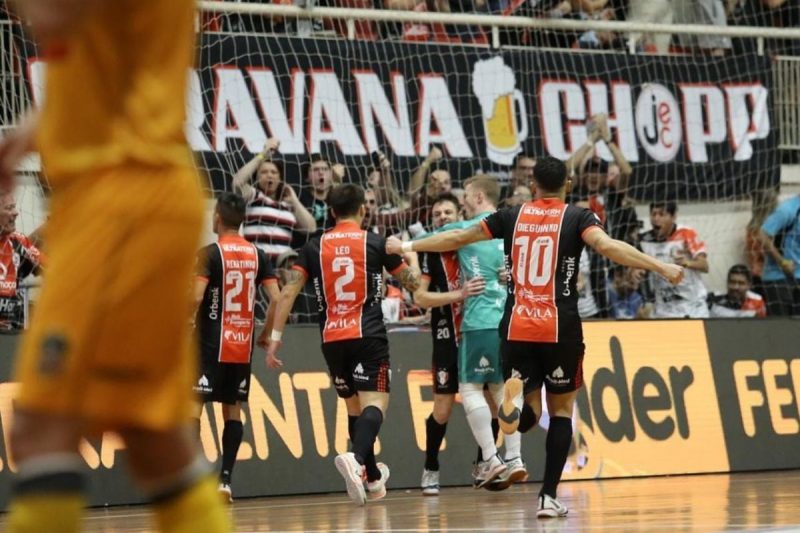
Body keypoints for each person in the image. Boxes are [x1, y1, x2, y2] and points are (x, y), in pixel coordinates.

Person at [0, 1, 231, 532]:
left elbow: (54, 16)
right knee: (153, 440)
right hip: (131, 192)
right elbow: (86, 40)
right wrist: (37, 127)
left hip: (122, 197)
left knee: (39, 426)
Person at [388, 156, 683, 518]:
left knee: (530, 406)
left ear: (535, 185)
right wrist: (662, 266)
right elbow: (610, 248)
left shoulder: (512, 215)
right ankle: (547, 497)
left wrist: (409, 247)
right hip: (559, 327)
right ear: (568, 184)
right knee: (561, 413)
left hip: (516, 327)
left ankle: (509, 421)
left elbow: (458, 235)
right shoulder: (577, 217)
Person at [264, 184, 421, 506]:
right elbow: (414, 284)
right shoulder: (377, 243)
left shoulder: (313, 247)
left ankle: (373, 479)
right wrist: (409, 253)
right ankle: (357, 458)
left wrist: (275, 339)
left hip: (332, 338)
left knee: (354, 408)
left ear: (331, 212)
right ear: (363, 208)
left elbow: (288, 293)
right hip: (369, 335)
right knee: (375, 406)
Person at [193, 193, 280, 503]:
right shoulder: (259, 254)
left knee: (193, 409)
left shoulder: (210, 253)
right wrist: (266, 333)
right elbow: (278, 298)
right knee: (233, 410)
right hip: (241, 345)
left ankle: (200, 481)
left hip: (208, 343)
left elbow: (195, 297)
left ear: (217, 216)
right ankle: (225, 481)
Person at [441, 175, 526, 489]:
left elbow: (431, 240)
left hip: (479, 322)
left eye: (465, 195)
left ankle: (491, 458)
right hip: (509, 320)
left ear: (478, 197)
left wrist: (404, 245)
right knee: (503, 390)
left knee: (471, 389)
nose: (461, 201)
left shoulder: (465, 230)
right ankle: (516, 458)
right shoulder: (512, 229)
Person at [412, 193, 482, 495]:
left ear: (460, 215)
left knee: (489, 402)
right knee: (442, 407)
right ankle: (430, 467)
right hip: (445, 336)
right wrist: (459, 295)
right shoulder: (431, 252)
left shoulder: (479, 244)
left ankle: (484, 464)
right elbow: (420, 298)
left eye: (448, 212)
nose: (442, 217)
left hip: (479, 333)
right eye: (437, 213)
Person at [232, 139, 316, 261]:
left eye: (274, 172)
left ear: (280, 178)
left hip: (283, 268)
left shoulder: (287, 205)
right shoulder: (253, 197)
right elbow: (237, 183)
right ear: (257, 178)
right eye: (264, 172)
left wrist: (294, 201)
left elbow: (311, 228)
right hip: (258, 264)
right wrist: (263, 154)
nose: (269, 175)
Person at [639, 202, 710, 318]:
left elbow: (704, 266)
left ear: (673, 217)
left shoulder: (686, 233)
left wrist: (687, 263)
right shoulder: (644, 240)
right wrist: (637, 272)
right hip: (663, 310)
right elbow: (638, 269)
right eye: (653, 214)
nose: (656, 219)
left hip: (692, 307)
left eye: (661, 214)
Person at [0, 191, 43, 331]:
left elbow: (53, 270)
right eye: (9, 208)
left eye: (15, 207)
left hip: (13, 333)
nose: (16, 212)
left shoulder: (18, 241)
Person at [758, 193, 800, 316]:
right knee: (783, 329)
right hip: (780, 279)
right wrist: (782, 262)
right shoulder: (788, 209)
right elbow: (762, 234)